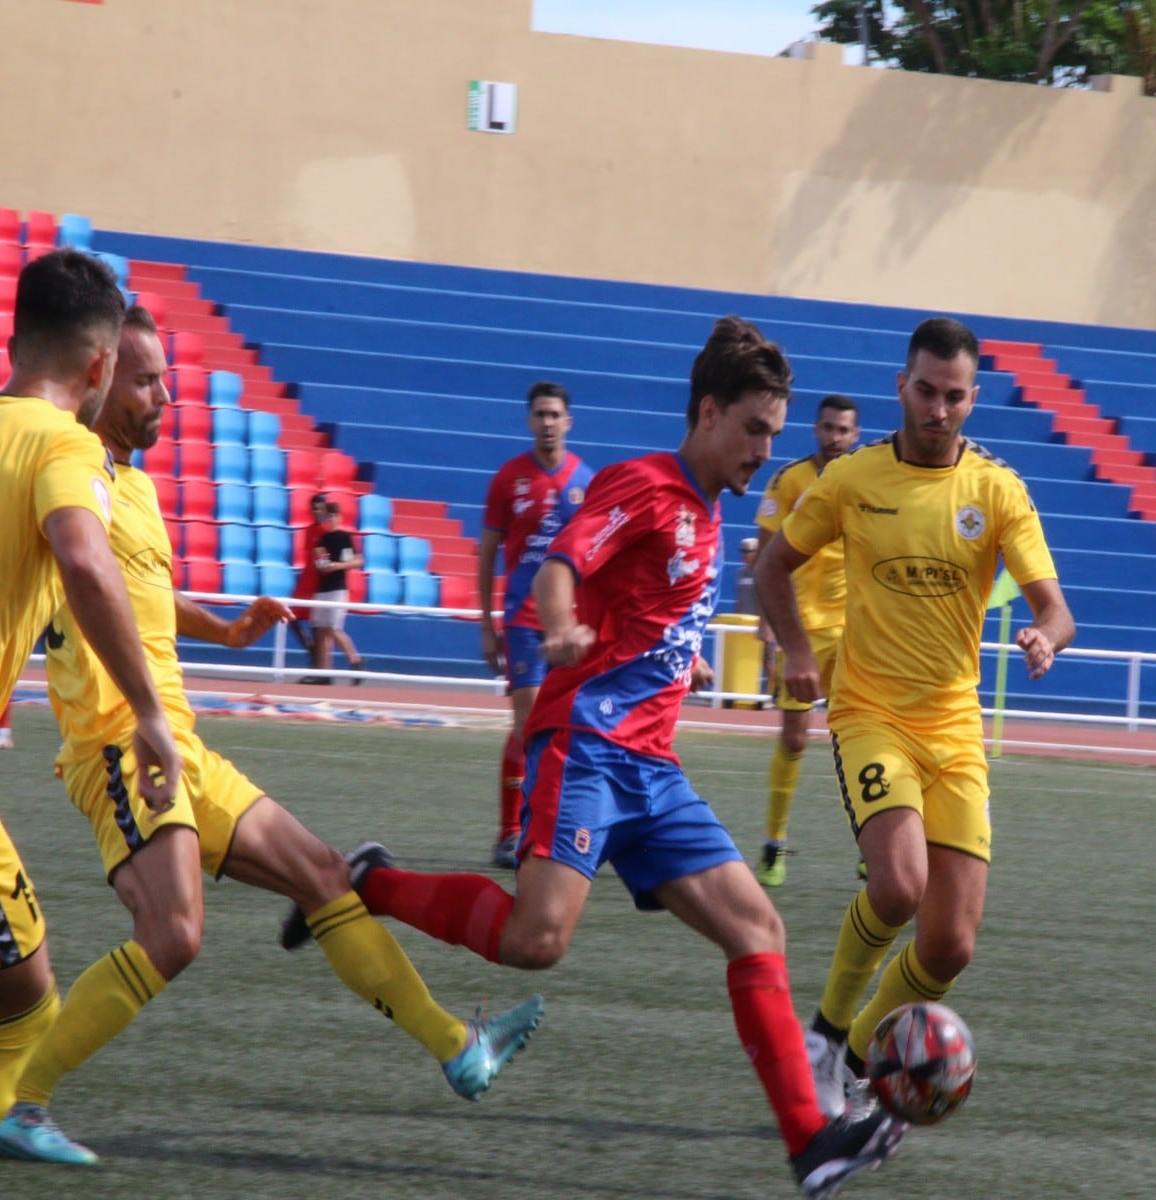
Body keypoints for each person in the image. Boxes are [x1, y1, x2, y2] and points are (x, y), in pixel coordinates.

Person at [282, 316, 909, 1198]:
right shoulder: (642, 485)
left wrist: (679, 657)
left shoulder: (710, 514)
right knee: (535, 941)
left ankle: (810, 1140)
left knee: (756, 928)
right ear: (707, 412)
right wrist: (562, 622)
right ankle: (369, 881)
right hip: (585, 749)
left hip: (652, 769)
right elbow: (559, 565)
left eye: (775, 431)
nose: (765, 450)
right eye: (753, 429)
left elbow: (656, 610)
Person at [0, 306, 542, 1168]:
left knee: (322, 874)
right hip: (118, 745)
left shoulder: (127, 483)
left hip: (174, 744)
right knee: (173, 935)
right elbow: (82, 581)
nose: (164, 394)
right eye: (144, 379)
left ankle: (457, 1049)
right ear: (97, 379)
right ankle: (20, 1102)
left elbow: (135, 594)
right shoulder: (71, 470)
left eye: (168, 377)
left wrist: (229, 631)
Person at [755, 317, 1076, 1118]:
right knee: (898, 887)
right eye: (925, 391)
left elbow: (1056, 607)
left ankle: (862, 1057)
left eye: (954, 396)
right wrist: (796, 650)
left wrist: (1045, 637)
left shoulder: (996, 490)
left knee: (950, 945)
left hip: (954, 727)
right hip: (870, 714)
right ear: (902, 386)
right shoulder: (854, 479)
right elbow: (771, 565)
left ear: (974, 399)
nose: (938, 409)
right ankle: (826, 1038)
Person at [0, 249, 181, 1199]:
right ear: (97, 370)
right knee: (20, 1017)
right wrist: (152, 716)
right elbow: (83, 558)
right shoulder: (66, 447)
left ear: (12, 339)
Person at [477, 381, 592, 868]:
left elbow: (595, 557)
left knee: (569, 726)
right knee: (527, 723)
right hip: (523, 620)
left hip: (567, 624)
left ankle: (552, 827)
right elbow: (486, 556)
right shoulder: (509, 480)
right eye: (540, 414)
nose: (547, 422)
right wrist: (486, 624)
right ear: (530, 421)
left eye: (555, 414)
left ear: (568, 422)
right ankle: (509, 833)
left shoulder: (587, 481)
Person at [750, 394, 860, 888]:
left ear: (855, 435)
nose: (835, 437)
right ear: (815, 428)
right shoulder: (789, 479)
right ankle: (774, 842)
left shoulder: (865, 481)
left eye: (844, 430)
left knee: (857, 738)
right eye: (829, 427)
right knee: (794, 738)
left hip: (852, 632)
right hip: (799, 629)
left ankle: (871, 846)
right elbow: (764, 555)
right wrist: (768, 623)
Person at [307, 502, 365, 682]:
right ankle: (325, 672)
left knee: (333, 629)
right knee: (322, 631)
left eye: (333, 516)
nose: (330, 519)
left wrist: (337, 565)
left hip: (337, 588)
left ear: (339, 517)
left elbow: (355, 561)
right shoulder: (323, 539)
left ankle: (356, 661)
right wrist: (322, 565)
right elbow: (321, 563)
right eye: (328, 516)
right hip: (323, 587)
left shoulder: (343, 537)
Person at [287, 492, 328, 652]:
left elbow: (325, 560)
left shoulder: (327, 531)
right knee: (291, 615)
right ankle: (310, 647)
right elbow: (310, 556)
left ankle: (316, 665)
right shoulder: (309, 530)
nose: (316, 512)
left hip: (319, 582)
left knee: (316, 624)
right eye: (314, 509)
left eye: (320, 508)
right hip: (306, 580)